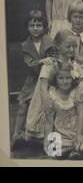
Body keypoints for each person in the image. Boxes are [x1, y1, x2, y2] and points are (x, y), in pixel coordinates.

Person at [25, 30, 83, 140]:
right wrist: (47, 107)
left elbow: (79, 80)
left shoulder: (72, 63)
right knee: (46, 130)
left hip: (64, 98)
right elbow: (43, 89)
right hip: (49, 99)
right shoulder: (50, 64)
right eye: (68, 46)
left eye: (74, 47)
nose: (72, 50)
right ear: (57, 46)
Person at [11, 10, 54, 149]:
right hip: (32, 80)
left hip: (47, 80)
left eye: (39, 25)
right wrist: (41, 61)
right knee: (23, 105)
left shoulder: (48, 40)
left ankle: (42, 136)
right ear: (27, 27)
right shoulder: (26, 45)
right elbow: (29, 63)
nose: (35, 28)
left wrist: (49, 61)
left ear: (44, 26)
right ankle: (16, 135)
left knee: (47, 106)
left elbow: (54, 58)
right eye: (32, 25)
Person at [43, 60, 83, 159]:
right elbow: (49, 121)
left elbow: (81, 114)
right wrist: (46, 140)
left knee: (81, 141)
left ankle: (79, 150)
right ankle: (71, 150)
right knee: (53, 149)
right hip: (62, 128)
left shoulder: (77, 92)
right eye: (61, 78)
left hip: (80, 125)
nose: (65, 81)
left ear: (73, 78)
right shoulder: (52, 95)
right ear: (55, 79)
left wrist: (79, 135)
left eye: (68, 78)